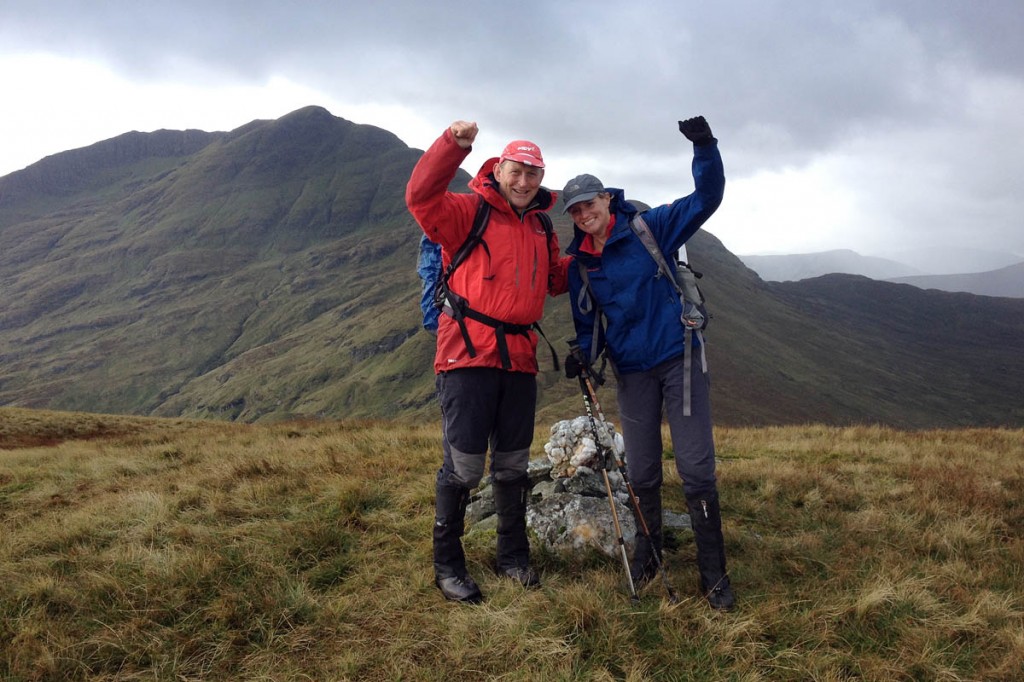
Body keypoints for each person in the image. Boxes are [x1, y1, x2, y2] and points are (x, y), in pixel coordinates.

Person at [561, 116, 735, 611]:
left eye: (589, 204)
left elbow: (707, 198)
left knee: (696, 468)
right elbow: (588, 321)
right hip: (631, 371)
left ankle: (713, 575)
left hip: (679, 358)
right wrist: (584, 357)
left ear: (607, 200)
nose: (583, 214)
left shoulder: (649, 226)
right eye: (574, 210)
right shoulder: (581, 264)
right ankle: (649, 555)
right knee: (641, 471)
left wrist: (704, 146)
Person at [406, 120, 568, 604]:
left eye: (533, 175)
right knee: (464, 466)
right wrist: (453, 145)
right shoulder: (467, 210)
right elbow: (420, 197)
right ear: (498, 170)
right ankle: (447, 565)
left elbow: (556, 279)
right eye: (516, 172)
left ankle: (512, 557)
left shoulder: (540, 224)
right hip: (467, 354)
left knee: (514, 464)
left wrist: (606, 240)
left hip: (519, 358)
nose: (524, 183)